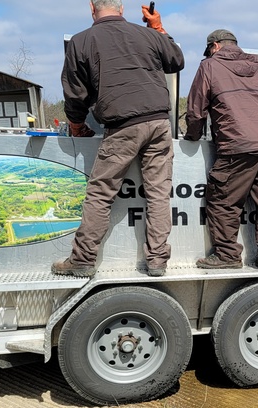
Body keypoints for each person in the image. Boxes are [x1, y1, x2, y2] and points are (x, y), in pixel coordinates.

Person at [51, 0, 184, 278]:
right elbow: (176, 61)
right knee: (159, 193)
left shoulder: (81, 41)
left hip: (123, 125)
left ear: (92, 9)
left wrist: (76, 124)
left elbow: (75, 93)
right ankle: (157, 261)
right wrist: (158, 28)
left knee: (100, 193)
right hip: (160, 122)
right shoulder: (148, 34)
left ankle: (83, 259)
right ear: (121, 9)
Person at [183, 29, 258, 272]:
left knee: (223, 201)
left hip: (236, 146)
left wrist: (192, 136)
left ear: (215, 45)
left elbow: (196, 110)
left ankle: (227, 255)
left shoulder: (210, 66)